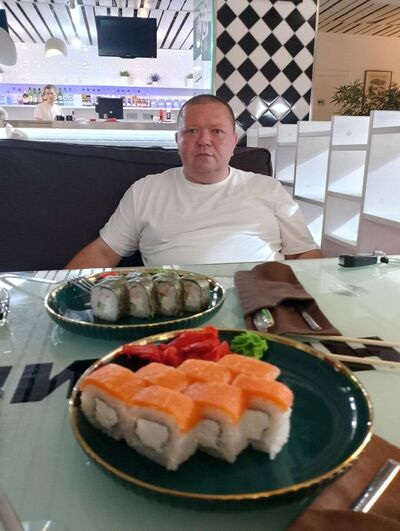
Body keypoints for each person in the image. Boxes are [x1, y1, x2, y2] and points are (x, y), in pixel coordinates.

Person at [66, 95, 322, 269]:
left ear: (234, 141)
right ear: (177, 140)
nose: (204, 141)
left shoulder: (268, 188)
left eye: (216, 131)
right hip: (176, 313)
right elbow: (104, 252)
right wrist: (55, 293)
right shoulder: (145, 190)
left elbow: (304, 253)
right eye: (192, 131)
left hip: (261, 306)